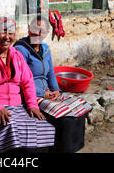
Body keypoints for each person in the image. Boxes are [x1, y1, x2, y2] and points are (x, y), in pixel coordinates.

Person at [0, 16, 55, 153]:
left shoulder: (17, 56)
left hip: (16, 105)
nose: (6, 37)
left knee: (41, 125)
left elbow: (28, 83)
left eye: (10, 33)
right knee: (12, 128)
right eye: (2, 32)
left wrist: (32, 106)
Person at [14, 15, 92, 153]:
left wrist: (56, 90)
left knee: (79, 107)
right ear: (28, 29)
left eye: (42, 31)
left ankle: (75, 147)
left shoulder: (46, 49)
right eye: (34, 29)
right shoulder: (21, 50)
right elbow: (21, 79)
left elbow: (50, 73)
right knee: (64, 117)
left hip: (48, 92)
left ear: (46, 34)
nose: (37, 33)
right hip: (32, 96)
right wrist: (42, 93)